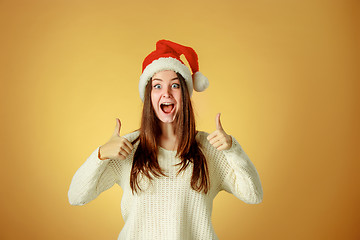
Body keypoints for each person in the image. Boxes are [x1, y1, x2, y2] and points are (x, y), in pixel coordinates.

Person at [68, 39, 263, 240]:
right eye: (157, 86)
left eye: (175, 85)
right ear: (149, 95)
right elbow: (76, 196)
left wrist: (232, 149)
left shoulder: (210, 149)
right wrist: (101, 154)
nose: (166, 93)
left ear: (185, 95)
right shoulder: (127, 149)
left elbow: (254, 195)